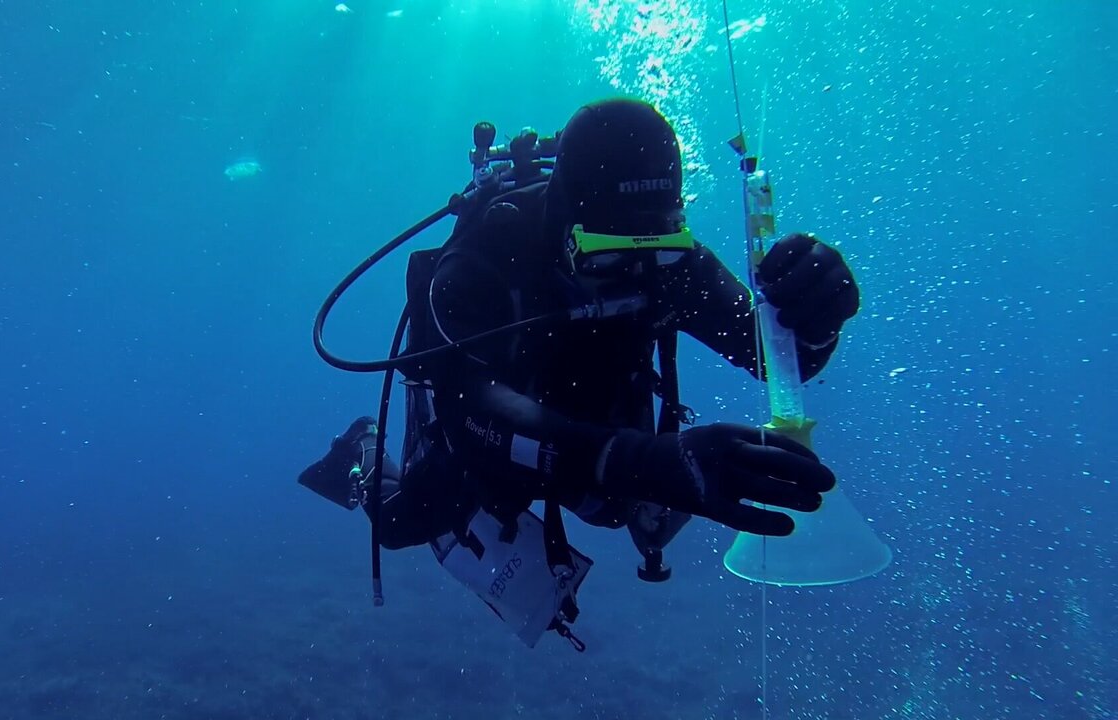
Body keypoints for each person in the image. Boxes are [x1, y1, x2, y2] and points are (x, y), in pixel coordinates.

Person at [300, 97, 858, 649]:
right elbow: (468, 411)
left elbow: (779, 359)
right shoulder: (484, 258)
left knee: (618, 510)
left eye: (657, 251)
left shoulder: (670, 258)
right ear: (568, 221)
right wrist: (637, 460)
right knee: (401, 526)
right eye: (608, 255)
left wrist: (812, 319)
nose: (637, 269)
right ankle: (363, 448)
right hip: (493, 422)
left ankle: (615, 467)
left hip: (593, 423)